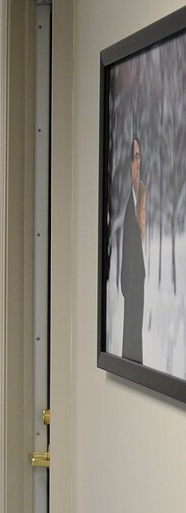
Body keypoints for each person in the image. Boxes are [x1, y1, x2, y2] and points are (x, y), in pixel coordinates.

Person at [119, 134, 146, 362]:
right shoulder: (131, 204)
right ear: (129, 164)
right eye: (135, 157)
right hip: (132, 290)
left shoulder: (139, 200)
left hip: (138, 288)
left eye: (140, 157)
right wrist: (128, 286)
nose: (138, 162)